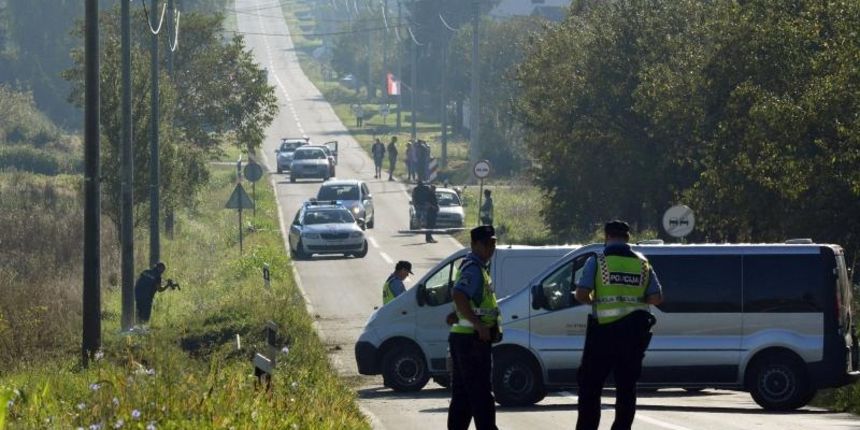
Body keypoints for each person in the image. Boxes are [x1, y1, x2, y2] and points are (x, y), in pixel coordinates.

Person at [574, 220, 664, 430]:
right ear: (627, 238)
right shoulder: (643, 263)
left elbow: (581, 293)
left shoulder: (598, 261)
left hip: (603, 333)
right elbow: (657, 297)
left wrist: (596, 300)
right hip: (633, 335)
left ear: (606, 237)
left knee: (590, 387)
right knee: (626, 388)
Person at [447, 225, 501, 430]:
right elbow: (459, 295)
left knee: (463, 396)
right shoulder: (474, 269)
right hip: (472, 340)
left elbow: (465, 299)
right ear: (474, 245)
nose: (491, 248)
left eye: (493, 244)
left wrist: (459, 314)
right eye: (486, 244)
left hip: (465, 337)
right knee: (481, 395)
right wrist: (479, 325)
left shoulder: (477, 267)